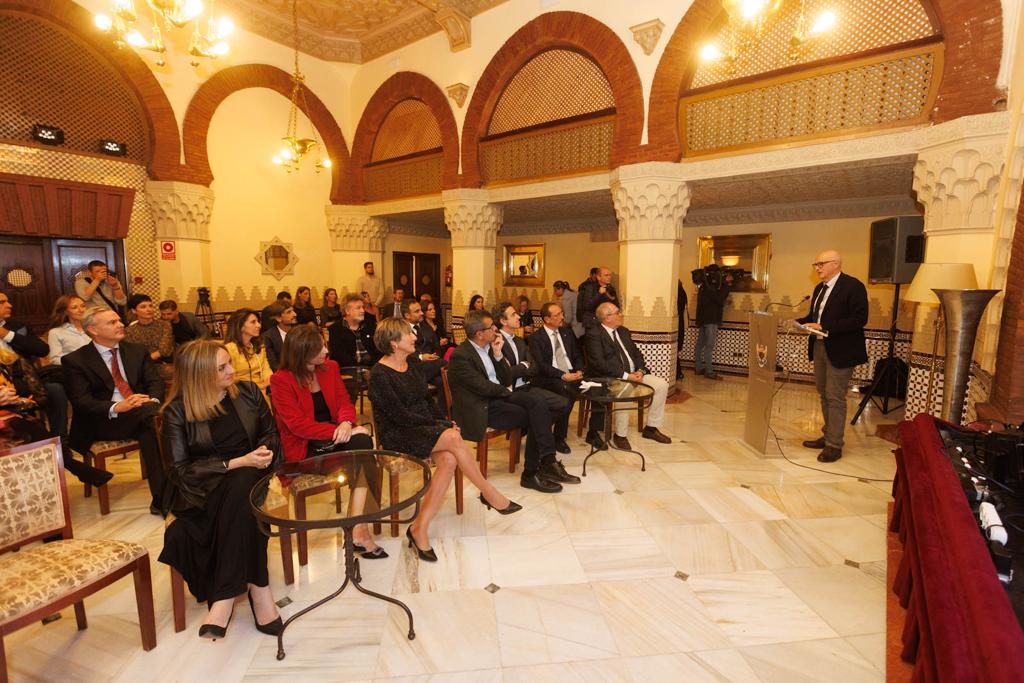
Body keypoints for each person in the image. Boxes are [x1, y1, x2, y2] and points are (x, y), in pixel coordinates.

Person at [158, 340, 283, 640]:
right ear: (199, 375)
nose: (232, 370)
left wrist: (263, 453)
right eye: (222, 367)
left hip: (254, 477)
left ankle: (224, 597)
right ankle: (259, 590)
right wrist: (236, 462)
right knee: (242, 489)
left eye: (230, 362)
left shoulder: (249, 393)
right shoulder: (176, 413)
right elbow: (179, 471)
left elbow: (271, 434)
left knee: (244, 484)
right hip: (202, 493)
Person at [369, 318, 521, 562]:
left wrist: (444, 422)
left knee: (449, 459)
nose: (414, 337)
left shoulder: (413, 364)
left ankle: (419, 528)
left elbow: (428, 402)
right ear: (394, 342)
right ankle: (489, 493)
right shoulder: (379, 374)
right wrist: (440, 428)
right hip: (398, 434)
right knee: (452, 438)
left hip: (422, 428)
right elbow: (400, 416)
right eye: (408, 334)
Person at [269, 325, 383, 557]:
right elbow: (297, 425)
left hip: (333, 438)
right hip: (304, 449)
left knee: (362, 444)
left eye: (324, 343)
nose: (326, 350)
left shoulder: (329, 368)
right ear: (301, 352)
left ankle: (356, 525)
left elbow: (344, 402)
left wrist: (346, 424)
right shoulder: (280, 380)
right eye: (318, 347)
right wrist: (338, 431)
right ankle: (358, 529)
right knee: (361, 451)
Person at [448, 310, 569, 494]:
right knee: (537, 413)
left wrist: (497, 354)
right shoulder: (461, 356)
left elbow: (504, 378)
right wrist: (506, 391)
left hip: (499, 396)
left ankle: (544, 463)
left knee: (539, 405)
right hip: (483, 406)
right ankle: (536, 470)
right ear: (480, 333)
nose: (495, 329)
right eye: (491, 327)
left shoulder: (489, 348)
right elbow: (482, 387)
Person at [62, 307, 166, 514]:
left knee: (149, 429)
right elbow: (81, 401)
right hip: (103, 421)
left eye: (119, 320)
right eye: (112, 322)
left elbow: (155, 383)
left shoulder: (136, 350)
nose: (121, 325)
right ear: (93, 329)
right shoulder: (75, 360)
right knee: (155, 421)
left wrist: (151, 400)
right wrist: (118, 406)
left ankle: (162, 499)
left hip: (142, 414)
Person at [0, 344, 110, 486]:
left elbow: (40, 396)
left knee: (26, 426)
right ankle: (74, 466)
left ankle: (49, 488)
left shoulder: (11, 362)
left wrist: (20, 401)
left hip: (17, 417)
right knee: (24, 428)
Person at [796, 250, 868, 464]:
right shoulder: (819, 288)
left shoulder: (853, 286)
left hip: (842, 349)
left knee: (835, 396)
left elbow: (859, 319)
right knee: (824, 394)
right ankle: (828, 435)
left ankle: (834, 445)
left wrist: (824, 326)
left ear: (836, 264)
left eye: (821, 264)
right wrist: (800, 322)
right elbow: (815, 318)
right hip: (819, 347)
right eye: (815, 264)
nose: (817, 268)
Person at [493, 302, 576, 465]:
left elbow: (534, 366)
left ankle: (536, 434)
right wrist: (523, 367)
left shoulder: (520, 340)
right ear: (503, 321)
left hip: (526, 386)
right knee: (541, 408)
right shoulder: (496, 343)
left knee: (563, 403)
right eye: (513, 315)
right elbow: (505, 375)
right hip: (511, 391)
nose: (518, 316)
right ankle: (542, 452)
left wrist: (522, 367)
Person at [585, 303, 673, 449]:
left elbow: (636, 354)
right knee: (625, 389)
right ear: (607, 318)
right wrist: (626, 376)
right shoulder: (594, 334)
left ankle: (651, 428)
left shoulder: (623, 331)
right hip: (613, 377)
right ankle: (620, 435)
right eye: (617, 312)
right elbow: (598, 363)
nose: (621, 315)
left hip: (634, 374)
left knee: (661, 385)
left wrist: (640, 370)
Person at [528, 302, 607, 450]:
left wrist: (580, 371)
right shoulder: (536, 338)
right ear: (546, 319)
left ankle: (594, 432)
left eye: (561, 313)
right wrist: (563, 375)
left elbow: (577, 355)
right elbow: (541, 365)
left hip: (572, 373)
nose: (562, 317)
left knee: (599, 387)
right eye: (557, 315)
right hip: (550, 377)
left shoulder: (567, 333)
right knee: (567, 391)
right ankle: (558, 437)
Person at [44, 295, 91, 440]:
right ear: (65, 311)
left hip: (94, 372)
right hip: (71, 373)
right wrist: (77, 363)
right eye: (75, 307)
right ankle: (63, 440)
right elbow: (54, 359)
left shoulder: (92, 328)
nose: (80, 310)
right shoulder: (57, 332)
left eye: (83, 306)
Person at [123, 294, 175, 381]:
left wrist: (144, 360)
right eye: (143, 307)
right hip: (140, 367)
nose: (149, 309)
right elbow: (132, 355)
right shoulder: (129, 331)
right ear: (134, 311)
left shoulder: (164, 325)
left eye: (150, 306)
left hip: (162, 364)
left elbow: (164, 350)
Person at [694, 265, 732, 380]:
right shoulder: (714, 286)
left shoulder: (704, 286)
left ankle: (698, 367)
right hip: (711, 320)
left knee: (700, 344)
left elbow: (709, 301)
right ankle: (709, 371)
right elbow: (719, 299)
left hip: (703, 319)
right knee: (709, 346)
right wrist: (727, 285)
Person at [222, 309, 272, 395]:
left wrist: (269, 380)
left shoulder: (259, 346)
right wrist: (259, 385)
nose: (259, 325)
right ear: (240, 326)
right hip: (241, 393)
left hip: (262, 391)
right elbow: (232, 378)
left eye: (258, 322)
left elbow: (265, 368)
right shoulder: (229, 349)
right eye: (253, 322)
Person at [328, 294, 380, 369]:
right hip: (348, 370)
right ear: (347, 311)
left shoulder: (370, 326)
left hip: (372, 368)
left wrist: (374, 369)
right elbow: (340, 356)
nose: (363, 311)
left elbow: (378, 350)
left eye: (363, 307)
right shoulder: (335, 330)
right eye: (358, 308)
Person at [402, 300, 445, 385]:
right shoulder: (401, 330)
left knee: (444, 381)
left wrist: (434, 356)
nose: (422, 313)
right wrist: (421, 357)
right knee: (444, 364)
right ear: (407, 315)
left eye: (421, 310)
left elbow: (436, 346)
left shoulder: (426, 327)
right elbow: (402, 352)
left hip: (431, 365)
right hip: (413, 366)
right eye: (417, 311)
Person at [0, 291, 49, 360]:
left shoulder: (19, 326)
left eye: (7, 301)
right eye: (2, 302)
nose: (9, 305)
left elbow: (43, 350)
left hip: (18, 369)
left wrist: (7, 334)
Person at [259, 302, 296, 371]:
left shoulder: (300, 332)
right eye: (289, 312)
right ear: (278, 318)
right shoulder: (268, 337)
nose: (294, 314)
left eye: (293, 311)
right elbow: (273, 364)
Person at [676, 280, 688, 379]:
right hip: (680, 324)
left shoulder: (679, 293)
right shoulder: (682, 292)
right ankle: (678, 373)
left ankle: (678, 373)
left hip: (677, 324)